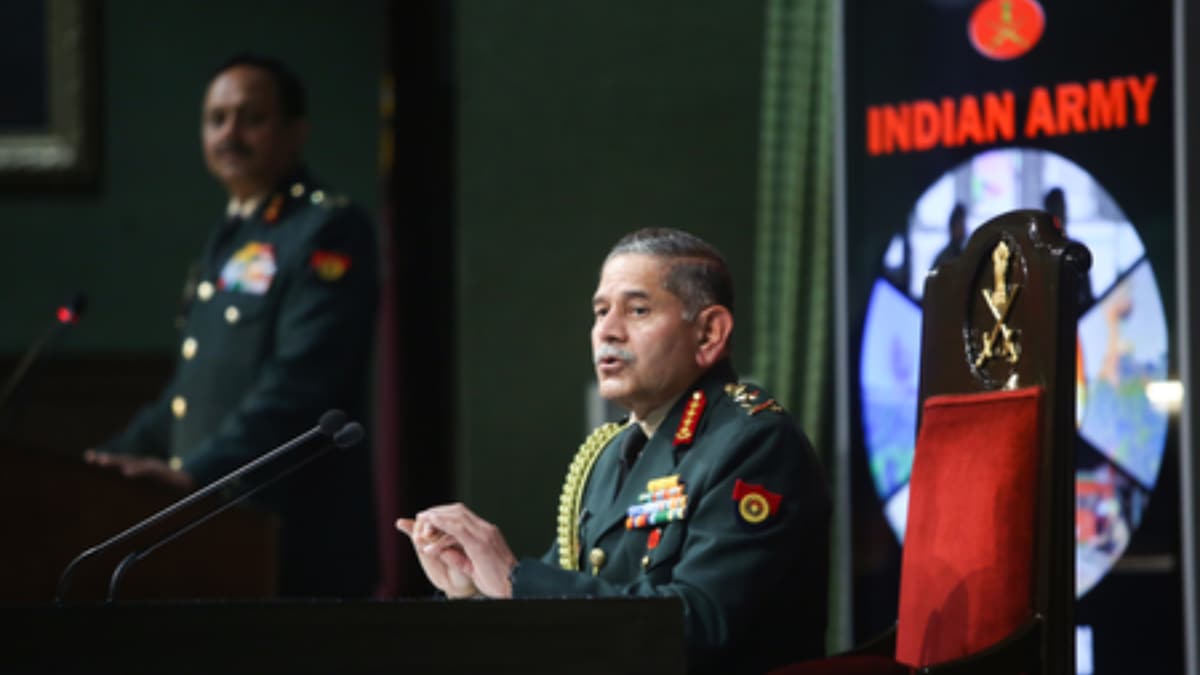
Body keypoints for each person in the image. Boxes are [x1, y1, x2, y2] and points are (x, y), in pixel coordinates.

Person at [397, 228, 830, 674]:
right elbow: (563, 600)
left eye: (637, 310)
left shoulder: (753, 442)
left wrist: (513, 579)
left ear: (708, 334)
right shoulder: (609, 453)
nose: (608, 331)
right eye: (601, 311)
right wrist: (474, 588)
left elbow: (701, 626)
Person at [84, 53, 379, 598]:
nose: (229, 134)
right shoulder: (229, 240)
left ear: (295, 132)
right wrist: (102, 465)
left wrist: (199, 473)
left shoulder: (327, 230)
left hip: (291, 535)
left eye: (251, 117)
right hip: (216, 530)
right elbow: (188, 396)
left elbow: (303, 385)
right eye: (216, 119)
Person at [930, 202, 967, 271]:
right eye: (960, 225)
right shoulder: (944, 259)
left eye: (963, 224)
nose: (964, 229)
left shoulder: (965, 255)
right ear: (952, 228)